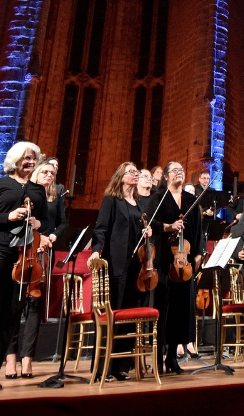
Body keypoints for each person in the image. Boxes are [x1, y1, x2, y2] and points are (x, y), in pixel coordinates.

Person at [0, 142, 49, 391]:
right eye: (26, 157)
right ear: (15, 160)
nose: (31, 161)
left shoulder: (38, 190)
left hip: (23, 254)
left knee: (10, 313)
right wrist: (7, 216)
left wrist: (38, 223)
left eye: (33, 158)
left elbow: (46, 221)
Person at [89, 162, 151, 381]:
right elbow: (101, 229)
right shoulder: (111, 201)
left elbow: (140, 229)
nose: (135, 175)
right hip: (116, 262)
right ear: (121, 177)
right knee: (113, 313)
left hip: (137, 265)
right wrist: (96, 250)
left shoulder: (139, 204)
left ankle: (120, 365)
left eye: (137, 172)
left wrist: (147, 232)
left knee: (128, 314)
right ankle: (102, 367)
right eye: (131, 172)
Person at [5, 159, 67, 377]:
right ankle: (10, 357)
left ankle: (27, 358)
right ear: (36, 173)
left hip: (44, 253)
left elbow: (63, 223)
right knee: (14, 307)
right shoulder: (23, 192)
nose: (49, 175)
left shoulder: (55, 197)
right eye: (45, 172)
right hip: (22, 252)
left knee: (34, 305)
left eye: (52, 173)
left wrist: (51, 235)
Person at [155, 161, 201, 373]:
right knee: (164, 307)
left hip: (185, 262)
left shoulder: (192, 200)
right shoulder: (159, 198)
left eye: (182, 171)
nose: (179, 173)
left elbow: (198, 229)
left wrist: (199, 253)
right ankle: (157, 356)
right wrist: (169, 227)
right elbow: (150, 224)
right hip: (164, 261)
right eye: (175, 171)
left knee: (181, 309)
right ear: (166, 176)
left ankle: (172, 356)